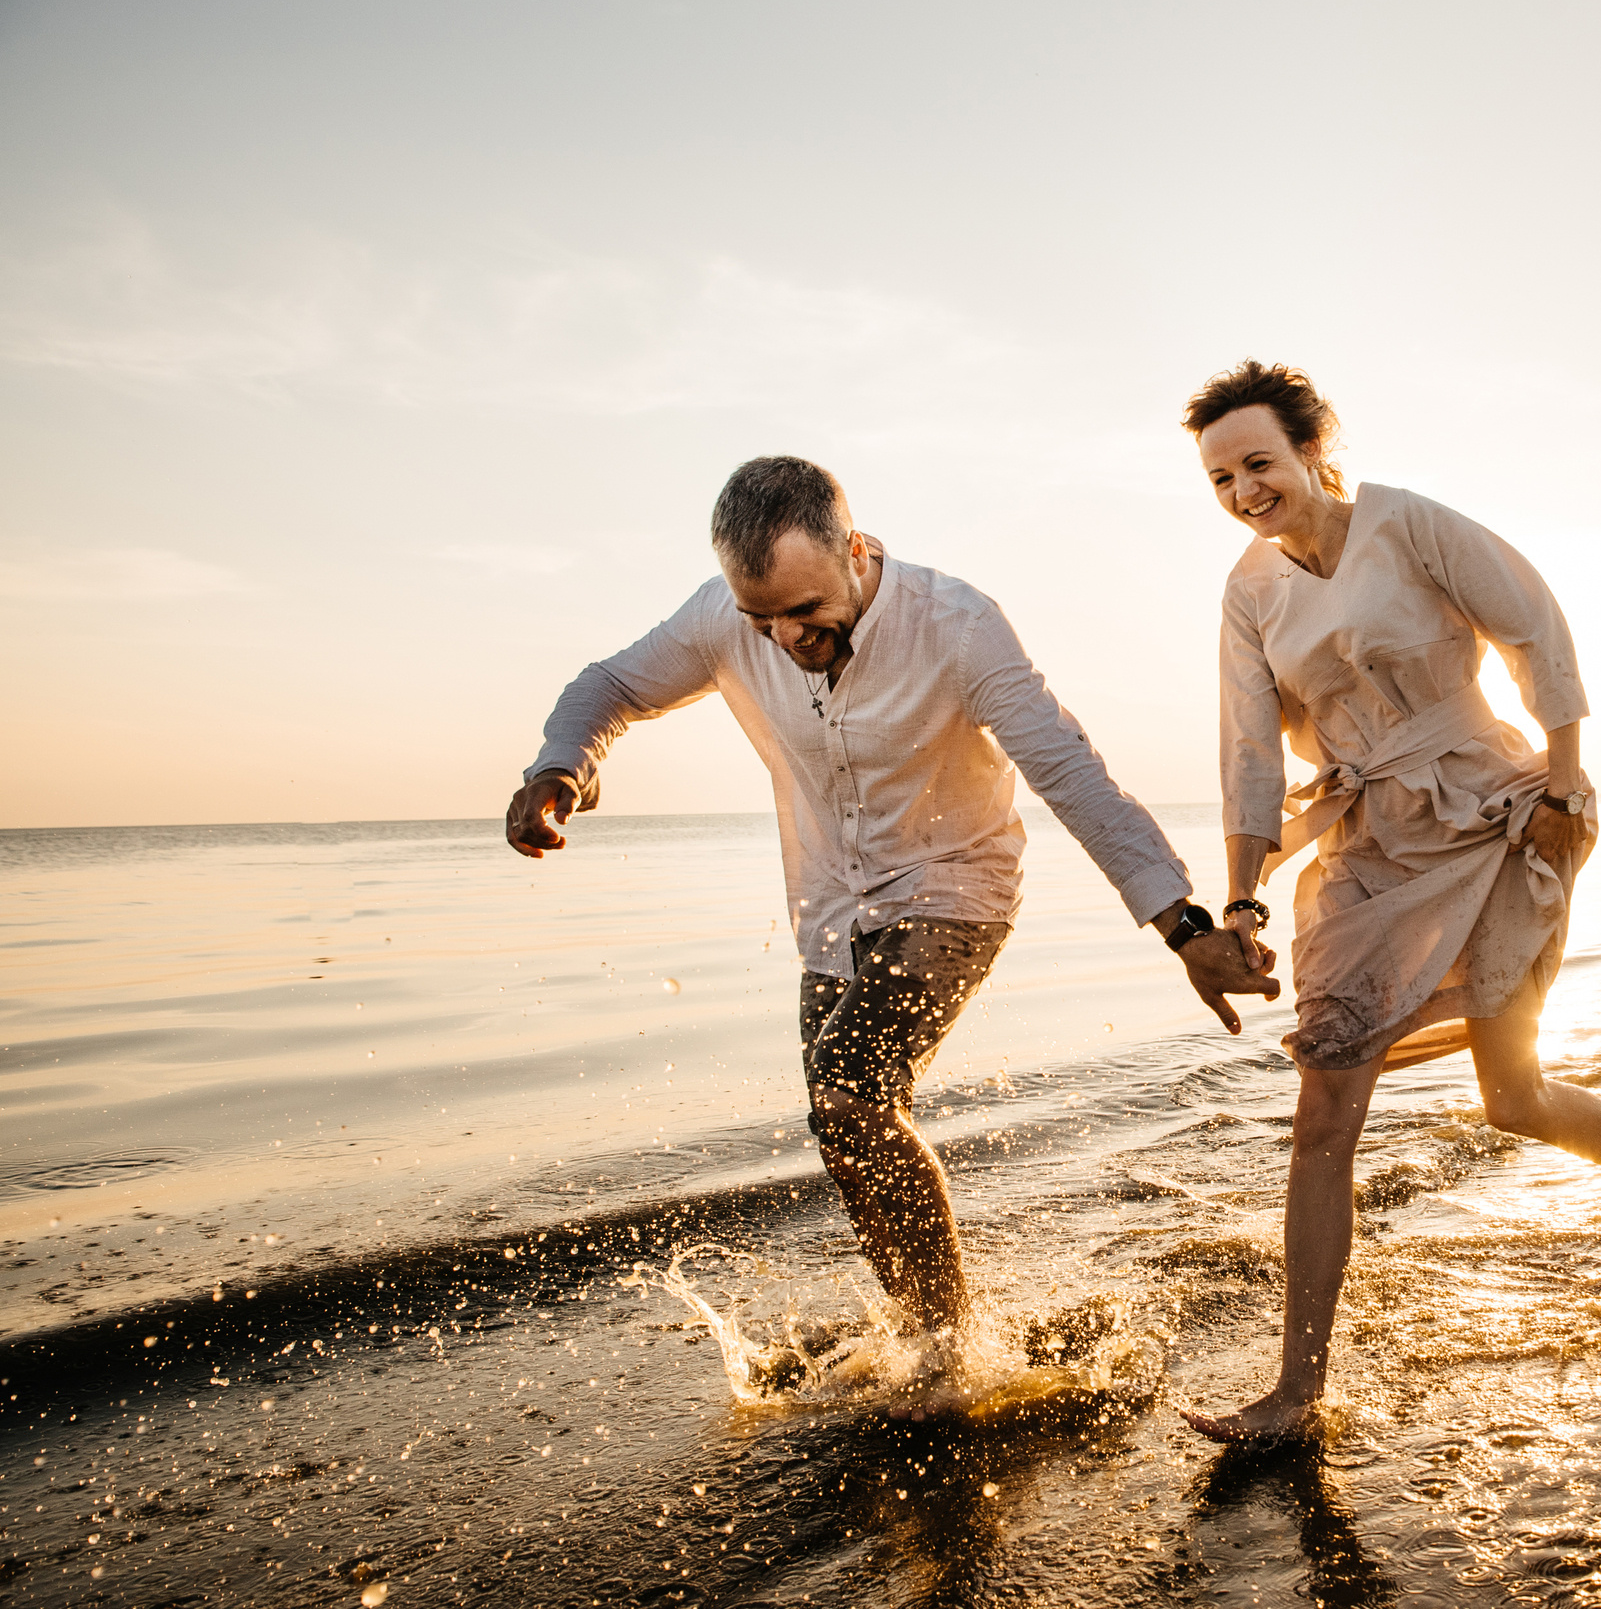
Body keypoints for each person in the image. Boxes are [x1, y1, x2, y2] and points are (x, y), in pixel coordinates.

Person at [505, 455, 1277, 1365]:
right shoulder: (723, 620)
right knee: (843, 1122)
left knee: (847, 1083)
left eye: (805, 610)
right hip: (830, 907)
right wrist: (561, 764)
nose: (787, 636)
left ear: (856, 552)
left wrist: (1182, 926)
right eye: (763, 619)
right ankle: (926, 1324)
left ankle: (951, 1347)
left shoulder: (955, 624)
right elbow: (611, 686)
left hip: (957, 890)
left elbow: (1069, 773)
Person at [1176, 363, 1601, 1443]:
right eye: (1222, 476)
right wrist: (1241, 899)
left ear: (1312, 451)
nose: (1244, 490)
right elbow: (1245, 750)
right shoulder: (1248, 591)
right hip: (1368, 846)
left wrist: (1563, 782)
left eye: (1259, 464)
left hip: (1492, 815)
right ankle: (1297, 1393)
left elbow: (1534, 626)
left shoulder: (1408, 524)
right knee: (1323, 1110)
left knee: (1509, 1098)